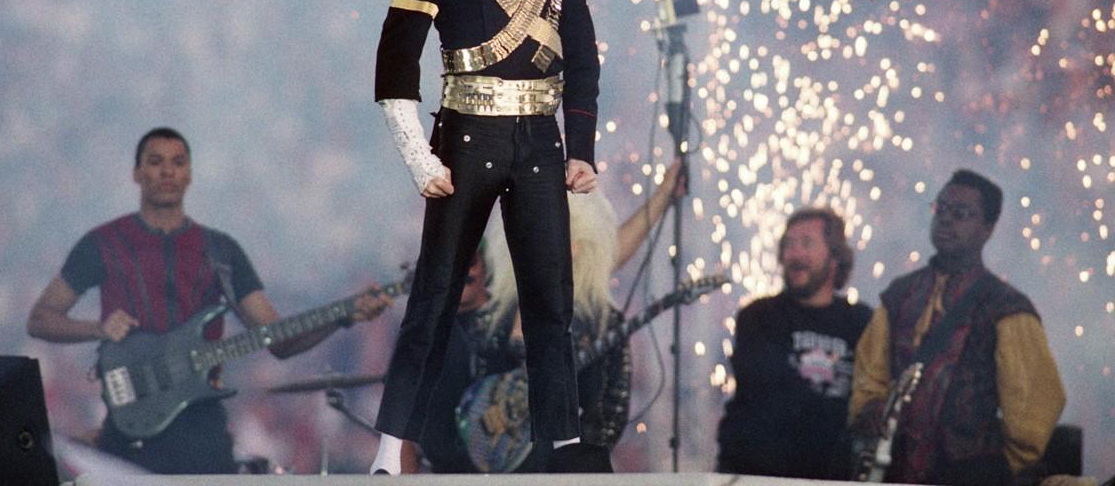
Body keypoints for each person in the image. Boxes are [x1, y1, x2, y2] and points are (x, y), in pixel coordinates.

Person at [370, 0, 602, 475]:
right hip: (465, 137)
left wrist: (579, 148)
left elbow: (581, 54)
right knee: (435, 297)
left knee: (550, 302)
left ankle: (559, 447)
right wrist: (420, 157)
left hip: (538, 140)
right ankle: (392, 450)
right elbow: (395, 59)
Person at [27, 127, 392, 474]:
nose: (167, 171)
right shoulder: (103, 244)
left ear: (189, 175)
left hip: (202, 441)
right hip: (129, 440)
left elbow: (278, 340)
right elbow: (42, 318)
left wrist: (344, 315)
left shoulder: (220, 251)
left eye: (178, 162)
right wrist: (97, 328)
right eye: (156, 161)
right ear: (137, 173)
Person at [401, 164, 683, 474]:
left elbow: (605, 425)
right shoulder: (480, 322)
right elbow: (437, 427)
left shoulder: (602, 326)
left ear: (577, 248)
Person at [848, 169, 1066, 484]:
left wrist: (991, 469)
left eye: (961, 213)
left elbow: (1034, 413)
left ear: (987, 228)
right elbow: (869, 377)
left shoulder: (1006, 308)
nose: (946, 219)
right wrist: (870, 410)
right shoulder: (899, 295)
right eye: (941, 209)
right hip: (892, 472)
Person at [715, 206, 872, 478]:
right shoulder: (759, 316)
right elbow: (768, 395)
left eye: (806, 244)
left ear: (834, 255)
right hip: (758, 473)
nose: (794, 255)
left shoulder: (860, 321)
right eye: (788, 245)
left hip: (832, 474)